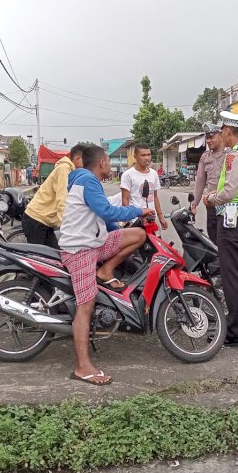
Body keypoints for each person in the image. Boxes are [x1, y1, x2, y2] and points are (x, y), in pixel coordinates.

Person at [59, 145, 154, 385]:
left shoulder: (87, 181)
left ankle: (105, 270)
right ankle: (82, 367)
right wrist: (137, 209)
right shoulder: (88, 181)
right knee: (86, 305)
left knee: (137, 235)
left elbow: (101, 217)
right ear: (101, 162)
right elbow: (106, 210)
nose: (110, 166)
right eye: (109, 161)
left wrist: (122, 228)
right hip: (80, 249)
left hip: (95, 243)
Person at [202, 111, 238, 347]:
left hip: (231, 220)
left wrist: (210, 198)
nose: (222, 137)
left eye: (222, 132)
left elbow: (230, 191)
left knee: (231, 276)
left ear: (227, 132)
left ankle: (234, 331)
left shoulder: (234, 156)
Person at [22, 145, 85, 249]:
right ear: (78, 158)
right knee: (39, 260)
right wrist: (66, 227)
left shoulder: (69, 170)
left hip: (44, 221)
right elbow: (63, 199)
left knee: (54, 255)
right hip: (37, 220)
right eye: (85, 161)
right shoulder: (64, 169)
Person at [192, 122, 228, 245]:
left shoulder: (231, 155)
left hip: (228, 204)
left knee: (227, 239)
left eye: (211, 137)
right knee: (213, 236)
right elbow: (200, 181)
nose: (208, 140)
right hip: (211, 204)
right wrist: (194, 203)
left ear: (221, 135)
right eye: (207, 137)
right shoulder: (205, 157)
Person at [120, 143, 168, 230]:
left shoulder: (154, 173)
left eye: (148, 155)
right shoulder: (128, 175)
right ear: (135, 156)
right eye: (143, 155)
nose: (147, 158)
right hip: (135, 221)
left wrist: (161, 217)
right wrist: (128, 220)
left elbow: (155, 197)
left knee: (156, 242)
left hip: (151, 219)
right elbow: (125, 199)